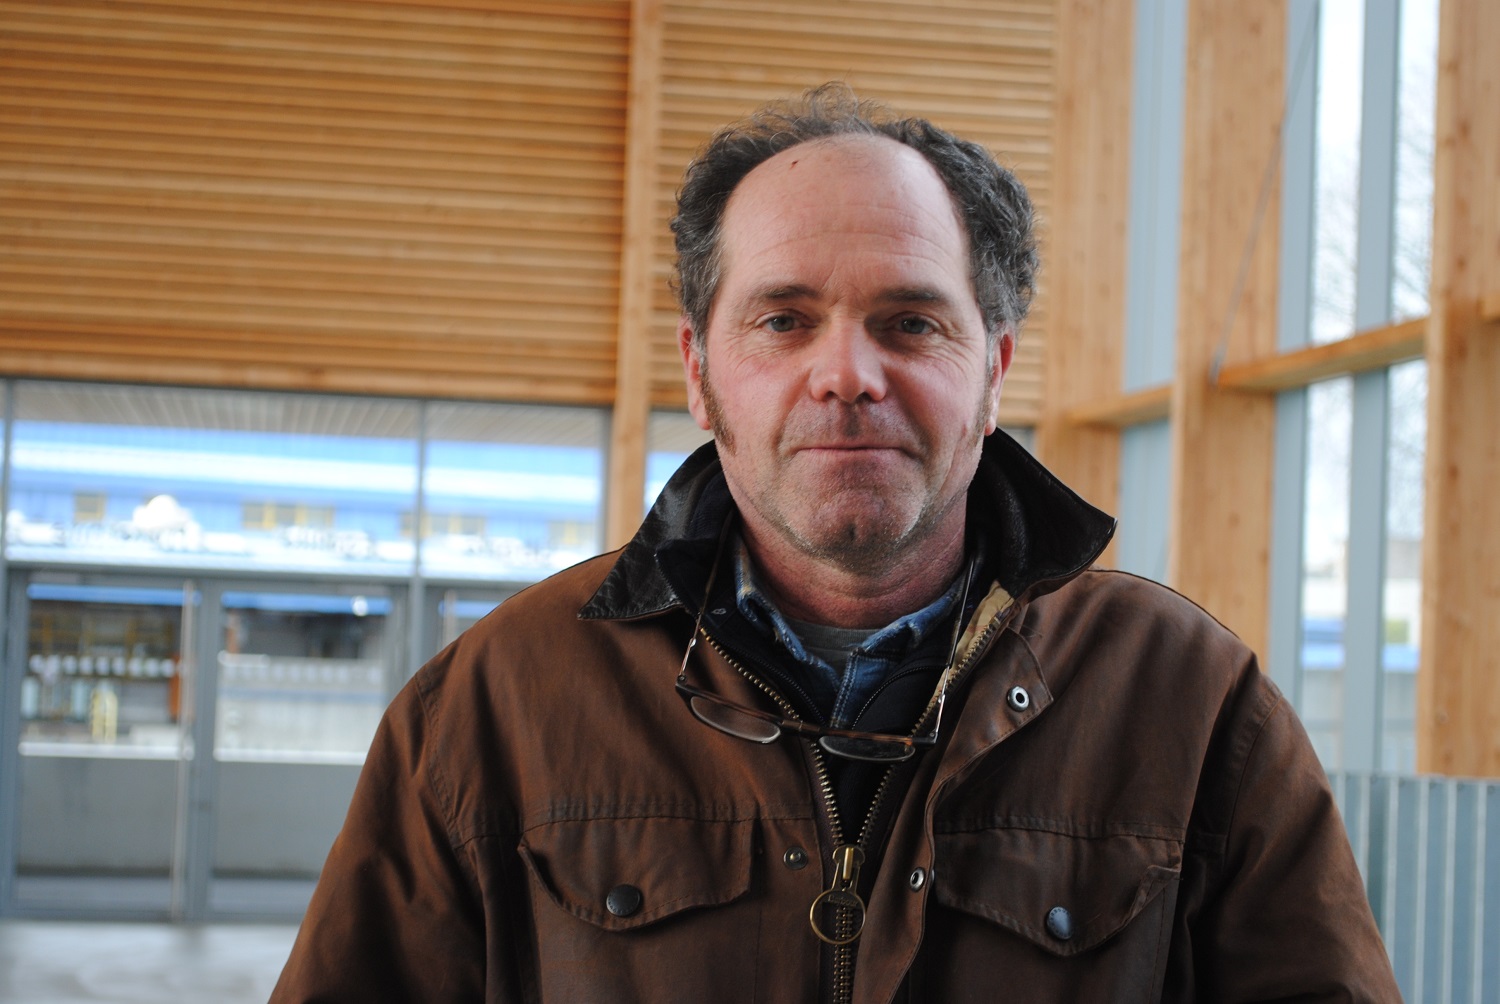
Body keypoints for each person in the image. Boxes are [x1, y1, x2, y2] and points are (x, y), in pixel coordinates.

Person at [272, 84, 1400, 1002]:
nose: (848, 374)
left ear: (993, 372)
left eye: (912, 321)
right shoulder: (497, 702)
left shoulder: (1192, 704)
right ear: (702, 373)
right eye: (783, 319)